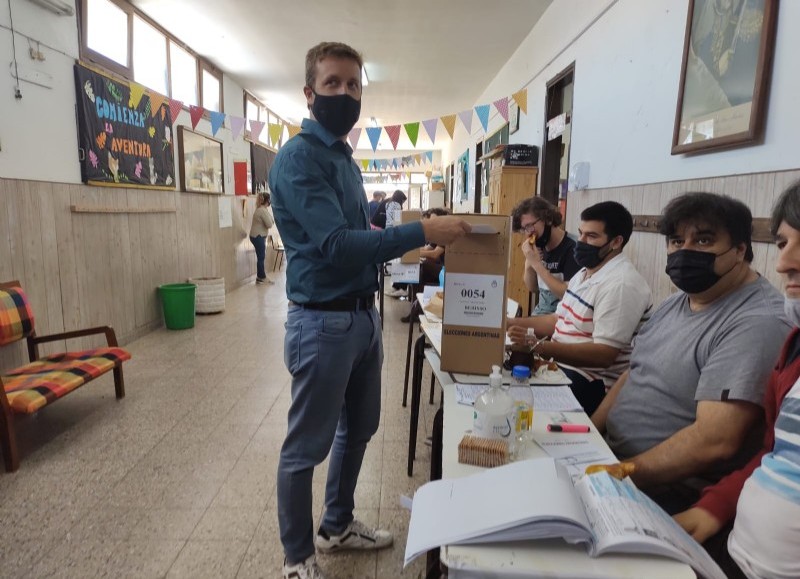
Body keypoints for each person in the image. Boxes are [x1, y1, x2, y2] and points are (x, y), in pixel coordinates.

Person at [268, 41, 471, 579]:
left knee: (357, 429)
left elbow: (361, 235)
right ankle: (296, 558)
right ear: (309, 93)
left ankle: (336, 524)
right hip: (322, 321)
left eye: (353, 85)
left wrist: (408, 247)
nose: (345, 93)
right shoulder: (298, 158)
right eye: (332, 83)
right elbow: (335, 243)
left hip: (361, 317)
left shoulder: (342, 159)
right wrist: (422, 228)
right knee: (305, 446)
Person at [592, 192, 790, 515]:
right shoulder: (676, 301)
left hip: (671, 491)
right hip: (615, 462)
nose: (684, 252)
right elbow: (634, 372)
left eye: (703, 241)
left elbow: (714, 442)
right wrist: (588, 433)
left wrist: (617, 475)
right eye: (676, 241)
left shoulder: (756, 322)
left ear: (740, 250)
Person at [673, 183, 800, 579]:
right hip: (728, 552)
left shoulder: (760, 322)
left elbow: (717, 441)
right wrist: (714, 507)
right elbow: (773, 454)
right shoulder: (796, 348)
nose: (784, 263)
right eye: (782, 243)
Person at [507, 201, 652, 414]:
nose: (580, 242)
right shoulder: (586, 272)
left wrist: (536, 346)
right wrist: (510, 322)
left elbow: (603, 356)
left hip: (592, 382)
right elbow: (558, 319)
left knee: (516, 408)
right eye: (581, 234)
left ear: (616, 242)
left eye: (591, 236)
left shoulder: (621, 284)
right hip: (562, 368)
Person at [511, 196, 580, 314]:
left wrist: (537, 265)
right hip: (540, 314)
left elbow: (567, 294)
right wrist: (529, 264)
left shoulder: (573, 249)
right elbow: (533, 288)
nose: (528, 232)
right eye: (524, 229)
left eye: (530, 226)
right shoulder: (539, 245)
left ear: (547, 219)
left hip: (562, 318)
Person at [249, 191, 275, 284]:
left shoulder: (262, 209)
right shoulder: (262, 211)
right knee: (261, 257)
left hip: (257, 236)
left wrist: (271, 221)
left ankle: (260, 276)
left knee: (261, 257)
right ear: (267, 200)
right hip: (258, 236)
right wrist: (271, 221)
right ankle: (261, 277)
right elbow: (270, 224)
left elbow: (271, 221)